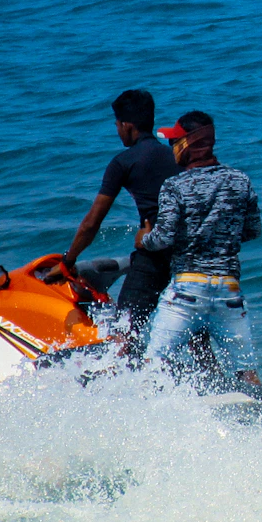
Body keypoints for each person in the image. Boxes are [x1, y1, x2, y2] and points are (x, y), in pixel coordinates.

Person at [138, 110, 262, 389]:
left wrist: (144, 238)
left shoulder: (174, 185)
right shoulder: (240, 180)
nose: (171, 148)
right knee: (247, 374)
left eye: (174, 142)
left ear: (188, 145)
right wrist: (223, 235)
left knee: (152, 366)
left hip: (187, 292)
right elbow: (253, 230)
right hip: (229, 293)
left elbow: (164, 237)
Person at [62, 89, 179, 344]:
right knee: (195, 336)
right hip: (187, 257)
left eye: (116, 124)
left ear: (127, 125)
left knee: (125, 332)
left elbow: (92, 222)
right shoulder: (177, 156)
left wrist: (68, 260)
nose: (117, 130)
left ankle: (122, 381)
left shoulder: (123, 163)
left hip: (154, 257)